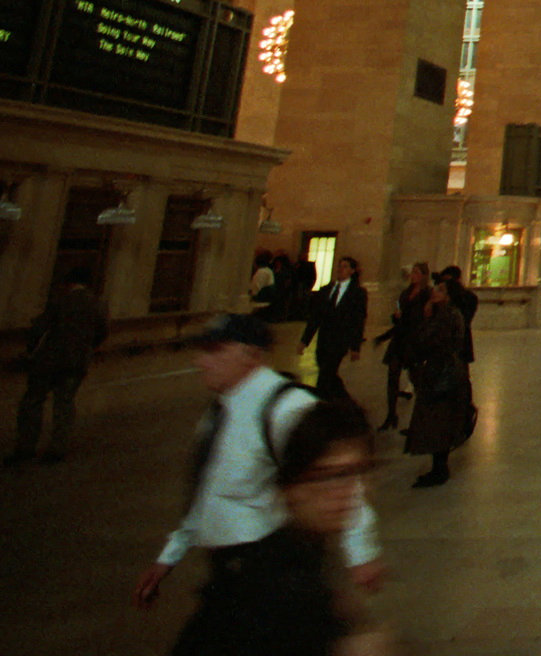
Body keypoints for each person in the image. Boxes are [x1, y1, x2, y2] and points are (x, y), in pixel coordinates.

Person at [133, 315, 385, 627]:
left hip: (271, 574)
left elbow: (338, 472)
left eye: (215, 351)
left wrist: (361, 553)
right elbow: (207, 490)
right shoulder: (218, 412)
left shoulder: (286, 407)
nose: (201, 362)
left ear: (250, 355)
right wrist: (169, 556)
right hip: (228, 575)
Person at [166, 400, 383, 656]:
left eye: (358, 472)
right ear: (289, 484)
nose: (348, 491)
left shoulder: (301, 552)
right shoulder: (276, 588)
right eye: (327, 475)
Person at [7, 266, 108, 464]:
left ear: (68, 282)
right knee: (65, 403)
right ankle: (58, 448)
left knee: (33, 401)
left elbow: (39, 327)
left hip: (50, 360)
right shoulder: (98, 304)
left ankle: (25, 447)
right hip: (77, 361)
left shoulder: (60, 300)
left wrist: (30, 350)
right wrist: (88, 348)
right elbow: (102, 331)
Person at [405, 279, 473, 488]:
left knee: (438, 421)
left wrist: (426, 320)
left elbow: (430, 341)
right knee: (439, 421)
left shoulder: (446, 315)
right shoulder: (447, 313)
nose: (435, 291)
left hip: (442, 373)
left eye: (441, 290)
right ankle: (438, 466)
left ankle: (440, 469)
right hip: (444, 371)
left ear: (449, 296)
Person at [300, 257, 368, 403]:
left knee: (326, 374)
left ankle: (320, 402)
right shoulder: (326, 290)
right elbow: (315, 318)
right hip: (323, 340)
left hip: (340, 341)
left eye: (345, 266)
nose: (341, 269)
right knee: (328, 373)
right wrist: (305, 340)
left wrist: (355, 347)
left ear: (352, 271)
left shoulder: (358, 293)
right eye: (340, 266)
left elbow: (358, 321)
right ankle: (345, 402)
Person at [372, 263, 429, 431]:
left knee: (417, 381)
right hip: (400, 340)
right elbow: (400, 318)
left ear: (423, 275)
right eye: (413, 272)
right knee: (392, 377)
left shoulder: (427, 294)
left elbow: (425, 319)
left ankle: (420, 420)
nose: (413, 275)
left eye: (416, 272)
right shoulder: (405, 293)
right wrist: (395, 319)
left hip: (415, 342)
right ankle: (391, 414)